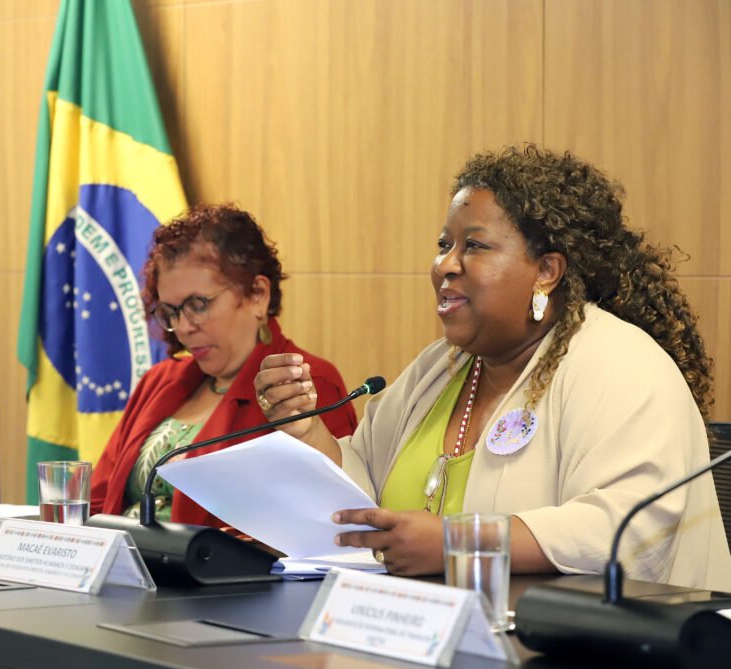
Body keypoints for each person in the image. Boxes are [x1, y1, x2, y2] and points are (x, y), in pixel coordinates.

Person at [255, 145, 731, 590]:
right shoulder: (441, 368)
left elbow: (626, 532)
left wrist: (456, 543)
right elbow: (363, 490)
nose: (446, 265)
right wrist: (306, 431)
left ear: (546, 271)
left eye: (474, 246)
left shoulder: (620, 363)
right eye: (444, 244)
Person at [90, 203, 358, 526]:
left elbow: (320, 522)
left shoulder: (303, 384)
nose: (185, 327)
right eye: (171, 312)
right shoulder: (158, 381)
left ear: (257, 294)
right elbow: (97, 500)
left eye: (197, 305)